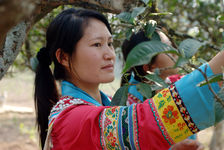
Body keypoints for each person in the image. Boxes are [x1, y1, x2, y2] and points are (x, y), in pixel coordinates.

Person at [34, 8, 224, 150]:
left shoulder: (103, 105)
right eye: (97, 44)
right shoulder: (71, 119)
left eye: (109, 43)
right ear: (64, 57)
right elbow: (143, 122)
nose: (109, 54)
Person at [121, 30, 200, 149]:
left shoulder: (175, 84)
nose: (175, 52)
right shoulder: (131, 106)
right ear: (148, 66)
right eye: (166, 48)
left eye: (171, 45)